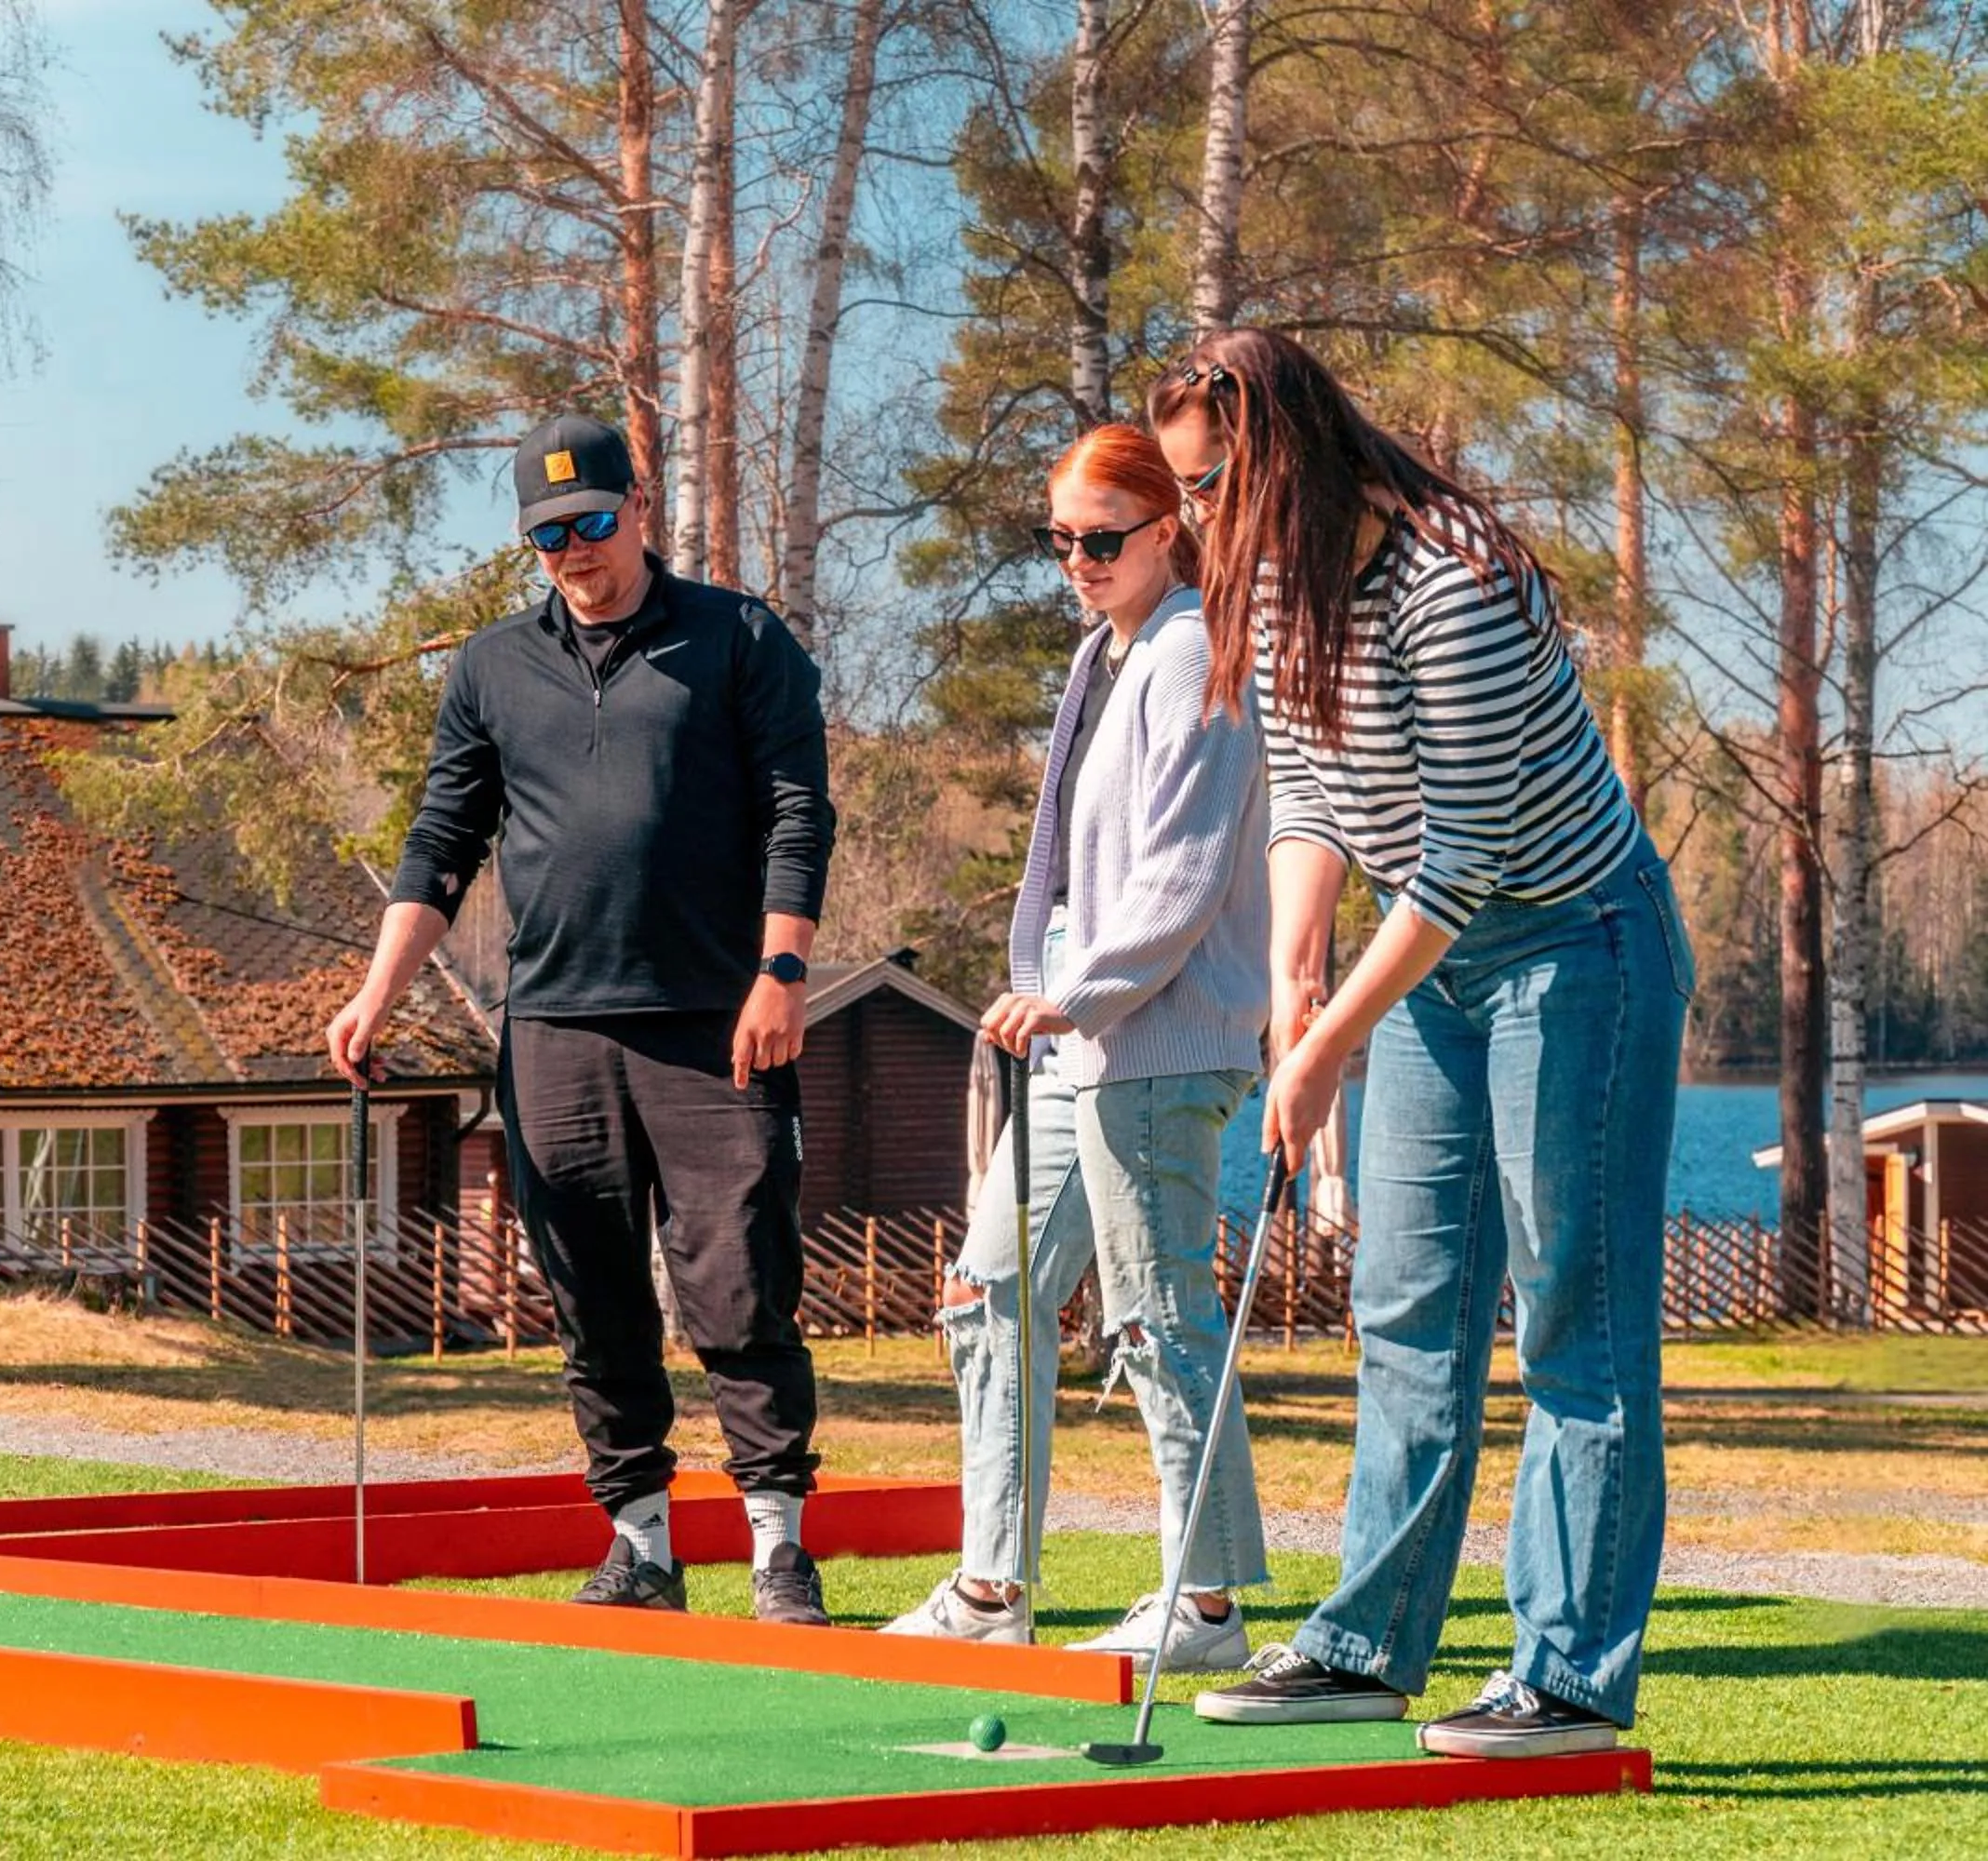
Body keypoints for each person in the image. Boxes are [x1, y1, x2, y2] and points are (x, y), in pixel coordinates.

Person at [1154, 330, 1690, 1759]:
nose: (1195, 521)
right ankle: (1365, 1646)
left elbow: (1459, 860)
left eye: (1209, 490)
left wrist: (1324, 1046)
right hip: (1435, 964)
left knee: (1571, 1308)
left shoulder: (1452, 582)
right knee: (1406, 1302)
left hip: (1579, 947)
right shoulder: (1274, 587)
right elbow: (1316, 797)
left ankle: (1571, 1680)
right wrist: (1288, 984)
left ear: (1278, 464)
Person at [326, 412, 839, 1625]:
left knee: (740, 1289)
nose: (574, 552)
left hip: (718, 1025)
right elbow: (442, 845)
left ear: (638, 507)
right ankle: (641, 1548)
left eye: (592, 524)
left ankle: (777, 1551)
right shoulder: (492, 668)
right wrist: (374, 992)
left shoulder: (739, 638)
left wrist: (783, 972)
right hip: (554, 1030)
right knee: (590, 1299)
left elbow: (797, 812)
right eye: (549, 536)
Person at [882, 423, 1270, 1667]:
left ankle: (1205, 1607)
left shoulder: (1198, 651)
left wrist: (1081, 989)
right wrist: (1046, 985)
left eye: (1102, 540)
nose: (1078, 563)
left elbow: (1190, 868)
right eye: (1060, 541)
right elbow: (1069, 860)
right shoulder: (1105, 656)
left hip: (1157, 1040)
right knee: (987, 1293)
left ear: (1170, 529)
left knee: (1158, 1313)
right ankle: (994, 1590)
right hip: (1080, 1044)